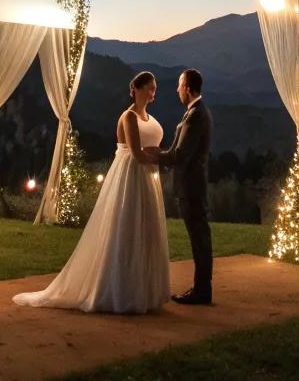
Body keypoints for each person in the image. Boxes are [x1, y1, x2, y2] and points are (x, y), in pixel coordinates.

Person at [13, 70, 170, 313]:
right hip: (131, 176)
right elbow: (137, 154)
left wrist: (160, 155)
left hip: (148, 179)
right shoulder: (128, 116)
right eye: (149, 88)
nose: (153, 92)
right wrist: (164, 158)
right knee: (127, 228)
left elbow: (149, 149)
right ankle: (121, 291)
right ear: (136, 90)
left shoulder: (149, 116)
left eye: (154, 88)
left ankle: (144, 291)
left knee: (146, 228)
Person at [149, 68, 214, 305]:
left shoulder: (196, 114)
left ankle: (201, 291)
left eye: (179, 85)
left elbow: (180, 155)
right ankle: (201, 288)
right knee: (199, 238)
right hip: (192, 186)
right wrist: (161, 153)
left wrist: (154, 155)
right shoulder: (196, 112)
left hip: (191, 187)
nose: (177, 90)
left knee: (199, 239)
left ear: (187, 87)